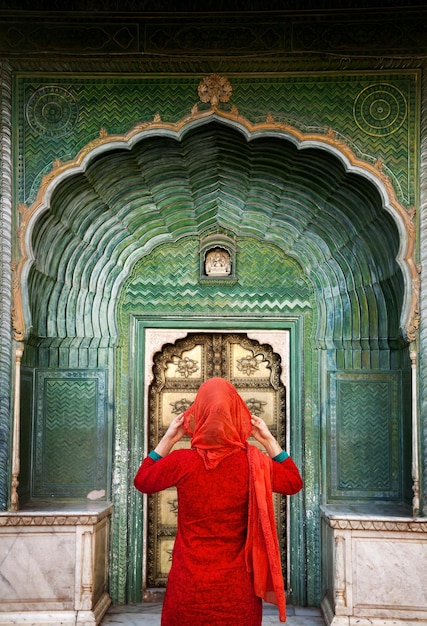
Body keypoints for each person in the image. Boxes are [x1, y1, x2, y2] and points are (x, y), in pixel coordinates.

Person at [134, 377, 303, 626]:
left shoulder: (182, 462)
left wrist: (169, 438)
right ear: (237, 414)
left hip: (189, 585)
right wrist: (267, 439)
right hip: (237, 589)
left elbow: (143, 480)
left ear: (198, 413)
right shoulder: (253, 463)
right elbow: (293, 482)